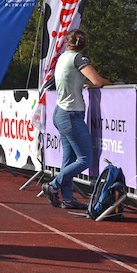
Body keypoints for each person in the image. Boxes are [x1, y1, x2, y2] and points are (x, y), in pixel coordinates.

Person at [42, 29, 111, 210]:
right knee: (85, 159)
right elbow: (97, 81)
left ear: (67, 43)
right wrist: (112, 83)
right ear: (84, 44)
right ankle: (53, 186)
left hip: (61, 112)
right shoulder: (79, 59)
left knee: (69, 159)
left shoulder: (62, 58)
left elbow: (71, 79)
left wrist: (82, 83)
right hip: (71, 114)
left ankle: (67, 198)